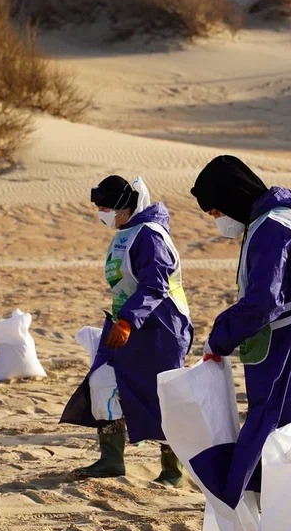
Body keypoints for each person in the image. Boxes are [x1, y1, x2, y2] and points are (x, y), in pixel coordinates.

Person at [190, 155, 291, 509]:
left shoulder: (272, 228)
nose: (216, 220)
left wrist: (219, 338)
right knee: (290, 450)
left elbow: (262, 303)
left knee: (267, 449)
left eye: (216, 211)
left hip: (283, 356)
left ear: (232, 197)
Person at [61, 176, 193, 486]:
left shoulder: (150, 235)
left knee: (163, 396)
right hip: (127, 327)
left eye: (106, 208)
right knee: (103, 382)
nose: (102, 214)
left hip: (160, 329)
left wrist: (127, 321)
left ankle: (172, 471)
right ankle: (111, 460)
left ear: (126, 206)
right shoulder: (126, 232)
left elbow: (156, 283)